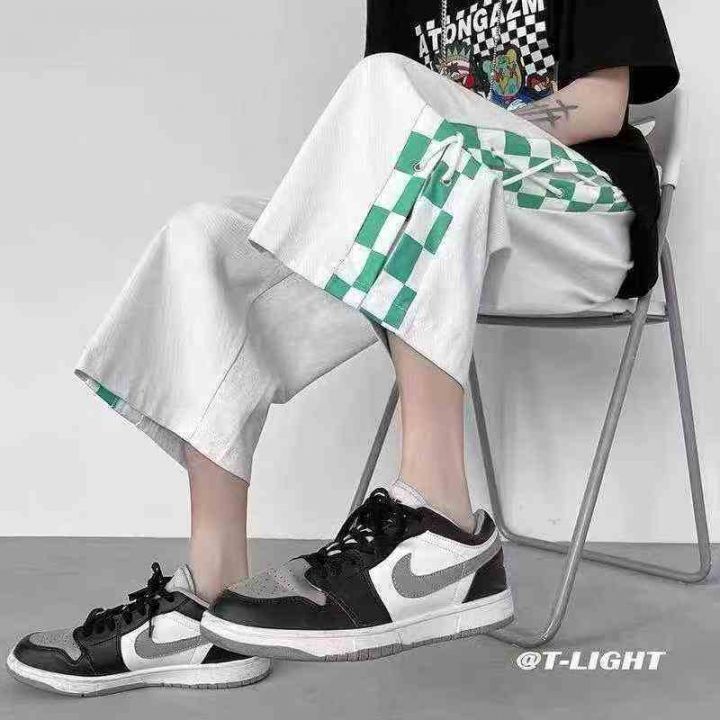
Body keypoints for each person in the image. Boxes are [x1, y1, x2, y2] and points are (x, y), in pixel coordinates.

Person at [7, 0, 678, 695]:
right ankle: (211, 598)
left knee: (393, 90)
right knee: (205, 238)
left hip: (577, 215)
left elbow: (602, 105)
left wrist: (442, 127)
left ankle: (442, 523)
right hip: (446, 218)